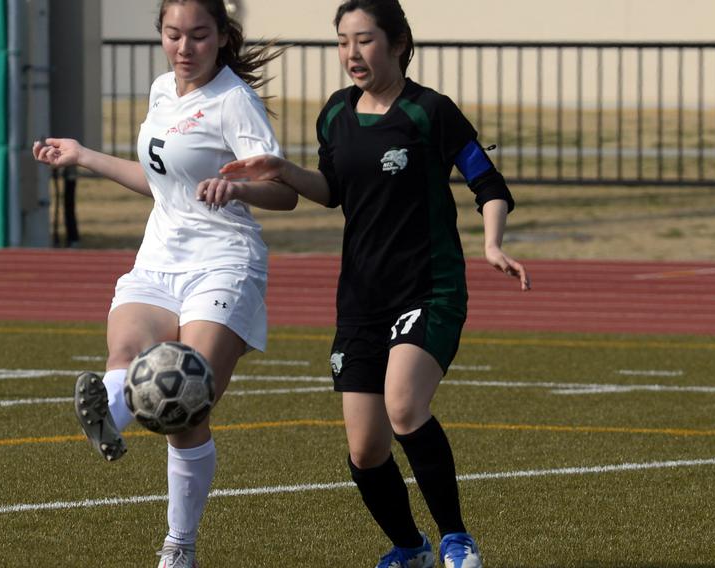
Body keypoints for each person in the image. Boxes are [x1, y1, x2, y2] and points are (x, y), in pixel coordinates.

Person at [219, 1, 530, 566]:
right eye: (342, 41)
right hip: (361, 297)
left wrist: (492, 244)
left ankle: (458, 539)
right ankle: (411, 549)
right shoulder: (336, 113)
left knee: (404, 404)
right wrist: (281, 171)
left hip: (428, 288)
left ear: (398, 43)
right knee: (365, 450)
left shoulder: (430, 111)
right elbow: (332, 189)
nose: (351, 54)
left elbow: (487, 181)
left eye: (364, 41)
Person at [33, 1, 296, 567]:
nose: (184, 48)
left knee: (187, 403)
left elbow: (285, 191)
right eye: (174, 35)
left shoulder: (235, 102)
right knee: (125, 350)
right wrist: (82, 155)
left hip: (224, 262)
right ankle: (111, 415)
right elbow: (158, 183)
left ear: (222, 38)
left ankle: (179, 545)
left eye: (199, 36)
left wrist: (242, 189)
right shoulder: (160, 90)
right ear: (162, 36)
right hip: (159, 258)